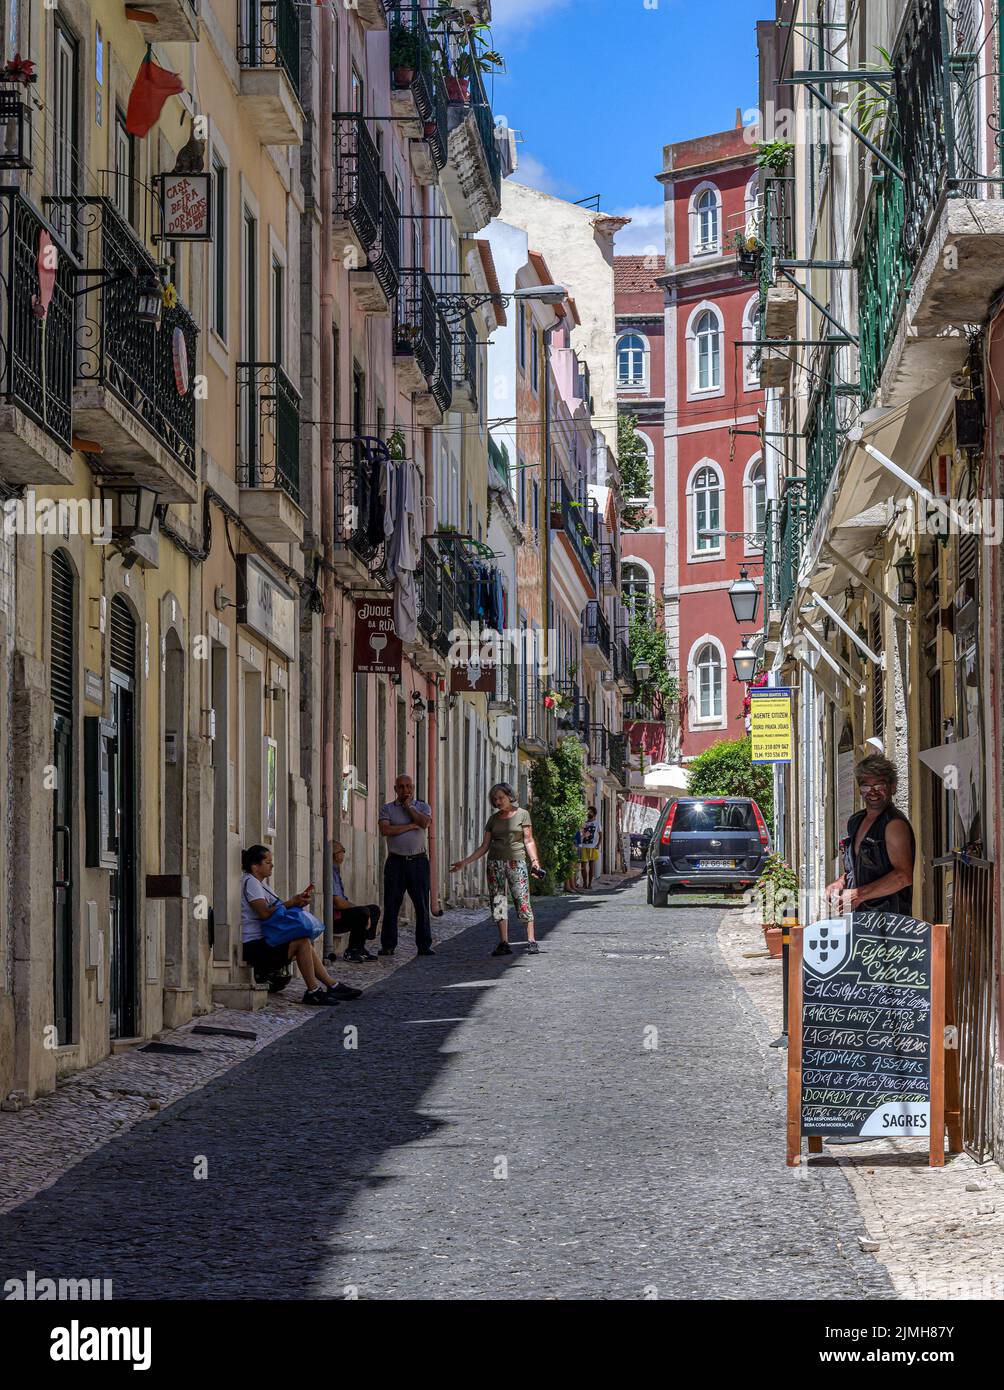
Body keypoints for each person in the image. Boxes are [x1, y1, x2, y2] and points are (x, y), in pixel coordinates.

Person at [241, 845, 361, 1006]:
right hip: (255, 946)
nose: (272, 865)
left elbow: (274, 910)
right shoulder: (251, 883)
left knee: (304, 941)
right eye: (268, 862)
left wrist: (295, 902)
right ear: (255, 866)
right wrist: (292, 902)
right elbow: (264, 913)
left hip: (265, 940)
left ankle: (332, 985)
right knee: (302, 942)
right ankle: (314, 991)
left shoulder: (259, 884)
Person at [450, 782, 543, 956]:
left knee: (522, 899)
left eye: (500, 797)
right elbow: (484, 846)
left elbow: (528, 840)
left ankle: (531, 940)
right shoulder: (493, 819)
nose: (498, 801)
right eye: (495, 799)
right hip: (495, 864)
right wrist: (465, 861)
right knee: (498, 901)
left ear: (509, 795)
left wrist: (535, 861)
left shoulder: (522, 814)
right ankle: (503, 942)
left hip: (516, 862)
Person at [825, 755, 916, 916]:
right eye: (866, 786)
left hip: (888, 923)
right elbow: (857, 868)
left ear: (892, 787)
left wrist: (857, 895)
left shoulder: (894, 825)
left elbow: (903, 876)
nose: (872, 792)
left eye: (879, 786)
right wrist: (840, 883)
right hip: (859, 919)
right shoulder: (856, 821)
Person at [378, 773, 434, 957]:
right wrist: (410, 826)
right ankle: (388, 945)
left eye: (408, 786)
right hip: (396, 862)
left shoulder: (423, 807)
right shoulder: (387, 809)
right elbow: (385, 830)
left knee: (421, 904)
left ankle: (424, 945)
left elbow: (424, 823)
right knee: (392, 904)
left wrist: (409, 807)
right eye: (401, 787)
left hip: (418, 862)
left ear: (413, 788)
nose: (405, 790)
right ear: (395, 789)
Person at [332, 841, 381, 962]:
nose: (343, 853)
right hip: (335, 917)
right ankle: (352, 950)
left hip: (342, 913)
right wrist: (357, 908)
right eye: (341, 850)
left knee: (374, 909)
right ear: (335, 854)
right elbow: (337, 902)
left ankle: (360, 947)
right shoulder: (330, 873)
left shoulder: (336, 871)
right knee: (362, 912)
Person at [578, 806, 602, 890]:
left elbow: (600, 835)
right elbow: (581, 832)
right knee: (583, 866)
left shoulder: (597, 823)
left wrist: (598, 844)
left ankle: (590, 884)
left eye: (590, 812)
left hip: (592, 847)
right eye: (588, 812)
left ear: (594, 814)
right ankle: (584, 883)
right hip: (584, 846)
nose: (589, 813)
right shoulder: (584, 823)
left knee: (591, 866)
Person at [565, 828, 582, 894]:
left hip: (577, 844)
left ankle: (573, 885)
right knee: (571, 866)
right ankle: (569, 886)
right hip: (573, 843)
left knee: (575, 867)